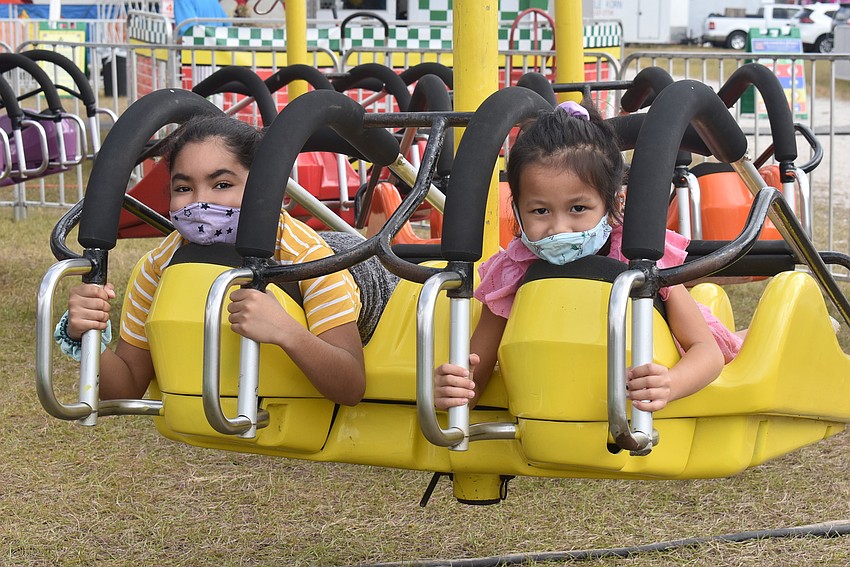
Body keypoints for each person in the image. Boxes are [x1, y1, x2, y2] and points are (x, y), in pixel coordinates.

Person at [55, 115, 389, 406]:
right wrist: (87, 335)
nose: (201, 201)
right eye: (183, 188)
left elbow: (350, 387)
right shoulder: (158, 266)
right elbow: (125, 389)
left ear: (265, 187)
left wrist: (287, 331)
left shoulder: (308, 256)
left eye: (222, 184)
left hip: (368, 276)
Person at [434, 100, 743, 413]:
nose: (559, 228)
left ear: (612, 206)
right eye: (540, 211)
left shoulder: (639, 260)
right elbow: (477, 370)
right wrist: (458, 387)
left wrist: (672, 383)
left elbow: (707, 352)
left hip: (664, 375)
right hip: (568, 398)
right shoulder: (512, 273)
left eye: (578, 209)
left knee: (738, 346)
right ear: (517, 210)